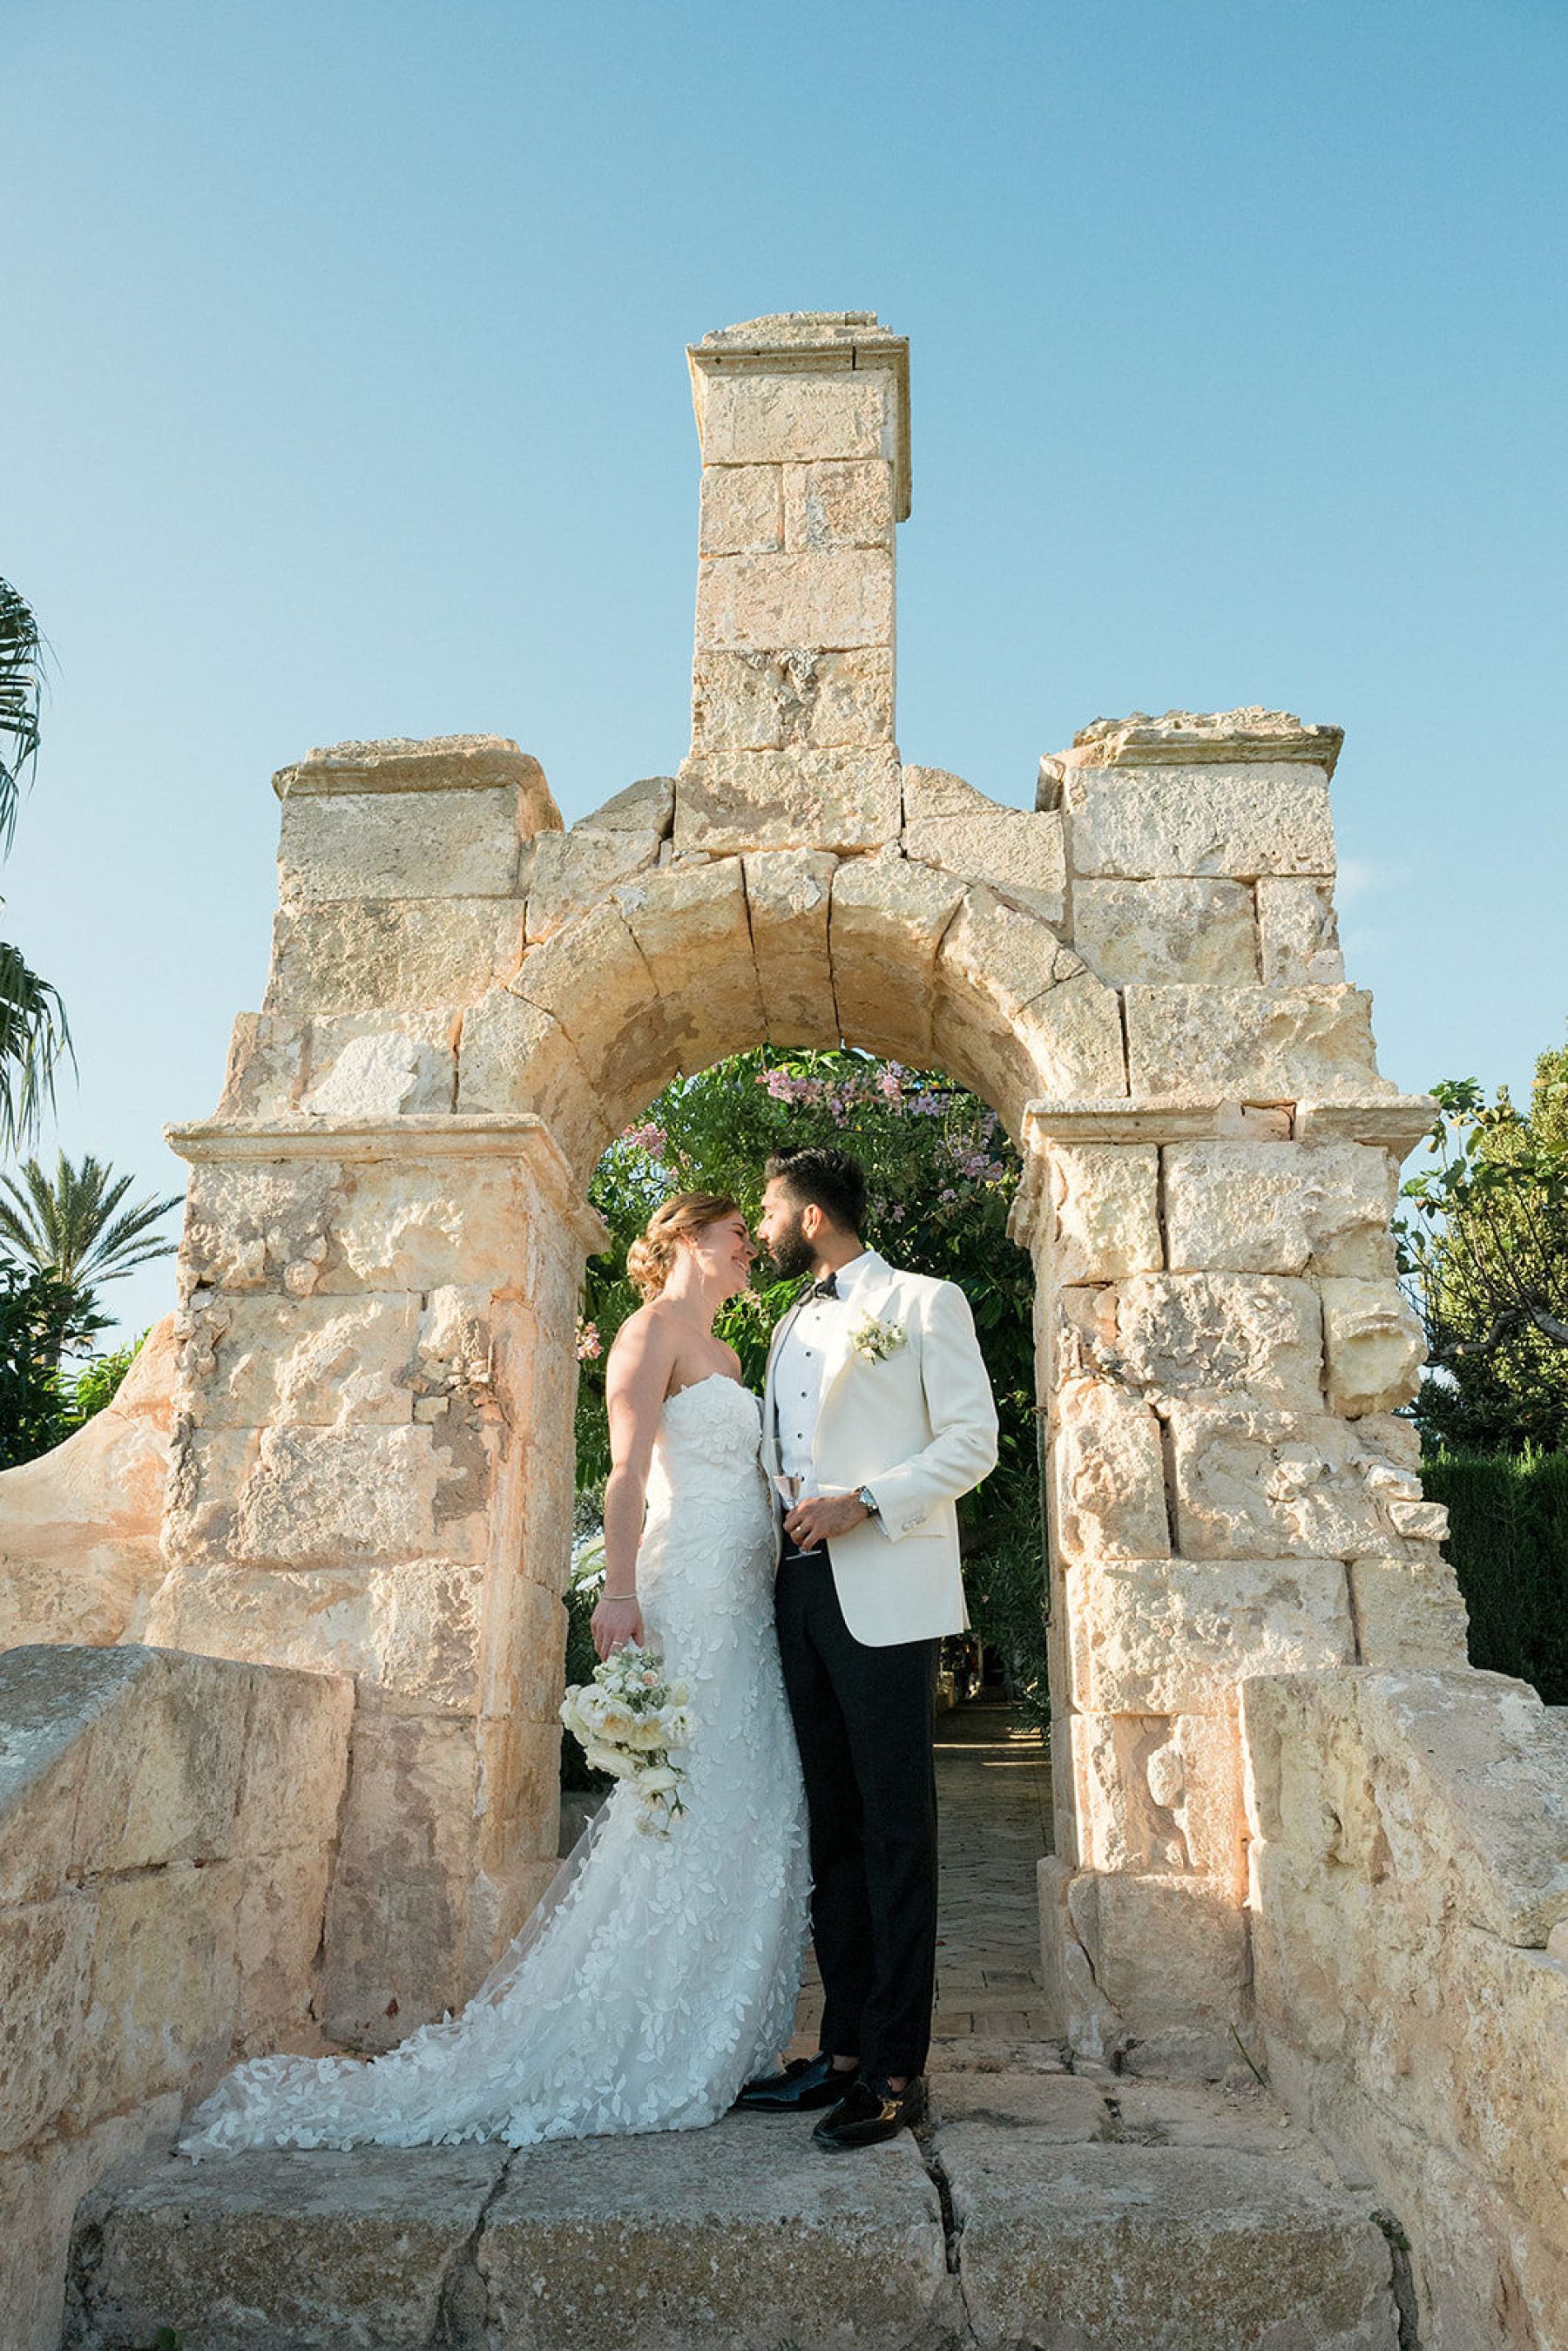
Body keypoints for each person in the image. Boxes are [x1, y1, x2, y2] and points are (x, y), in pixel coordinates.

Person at [178, 1192, 810, 2158]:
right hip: (687, 1591)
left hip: (746, 1592)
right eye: (733, 1236)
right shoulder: (651, 1332)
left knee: (746, 1795)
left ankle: (706, 2027)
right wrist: (621, 1591)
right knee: (679, 1799)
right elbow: (629, 1471)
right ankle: (635, 2033)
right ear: (691, 1236)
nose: (745, 1251)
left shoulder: (728, 1350)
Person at [734, 1146, 998, 2152]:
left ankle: (897, 2070)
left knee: (896, 1830)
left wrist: (867, 1501)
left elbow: (973, 1443)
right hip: (793, 1587)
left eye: (769, 1207)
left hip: (882, 1578)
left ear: (810, 1215)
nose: (760, 1224)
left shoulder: (927, 1302)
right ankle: (841, 2051)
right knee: (833, 1828)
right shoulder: (789, 1318)